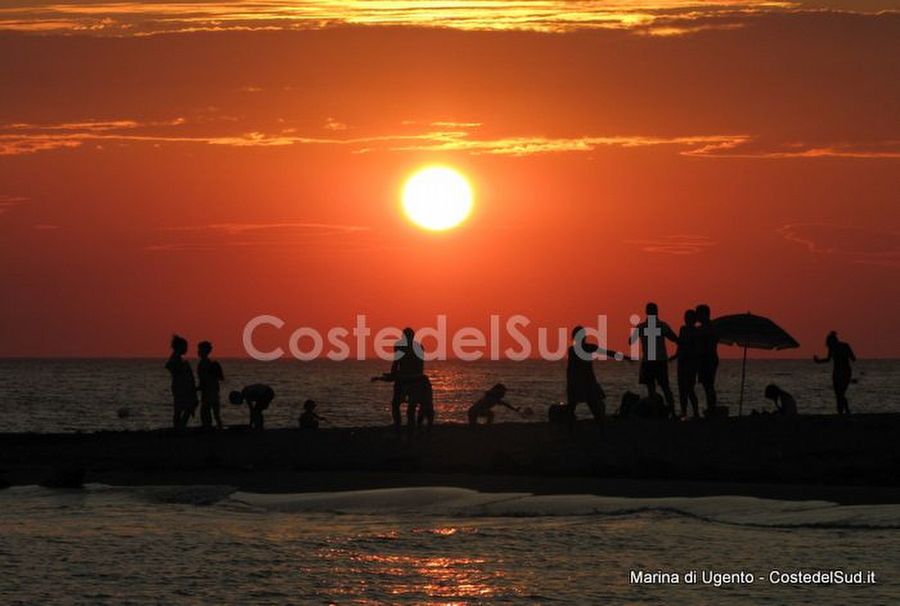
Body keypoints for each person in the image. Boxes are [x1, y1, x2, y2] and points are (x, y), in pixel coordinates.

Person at [372, 327, 427, 432]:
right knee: (412, 407)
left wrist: (392, 375)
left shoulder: (400, 346)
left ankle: (398, 426)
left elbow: (396, 363)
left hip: (403, 380)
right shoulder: (419, 347)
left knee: (396, 404)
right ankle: (411, 429)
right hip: (416, 380)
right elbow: (420, 367)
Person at [566, 326, 625, 422]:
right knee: (591, 408)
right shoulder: (585, 348)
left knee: (574, 408)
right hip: (586, 381)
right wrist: (625, 357)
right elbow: (608, 353)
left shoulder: (573, 350)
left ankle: (571, 431)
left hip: (580, 382)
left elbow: (570, 370)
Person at [630, 302, 678, 416]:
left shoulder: (641, 327)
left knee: (651, 389)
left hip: (648, 361)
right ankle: (673, 413)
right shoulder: (662, 326)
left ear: (646, 312)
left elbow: (631, 341)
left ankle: (656, 413)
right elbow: (675, 338)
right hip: (660, 360)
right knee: (665, 387)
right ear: (657, 312)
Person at [814, 331, 856, 414]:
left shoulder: (843, 346)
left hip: (843, 372)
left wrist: (843, 355)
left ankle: (844, 410)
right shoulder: (838, 347)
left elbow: (853, 358)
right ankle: (843, 410)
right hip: (839, 372)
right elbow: (828, 359)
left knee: (840, 393)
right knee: (839, 393)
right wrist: (819, 361)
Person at [165, 334, 197, 430]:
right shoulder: (175, 358)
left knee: (187, 407)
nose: (186, 349)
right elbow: (169, 366)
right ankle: (179, 427)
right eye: (185, 346)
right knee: (181, 409)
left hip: (183, 387)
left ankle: (180, 426)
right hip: (180, 388)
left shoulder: (178, 359)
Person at [695, 304, 719, 415]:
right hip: (705, 359)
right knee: (707, 385)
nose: (696, 316)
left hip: (708, 359)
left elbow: (710, 344)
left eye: (698, 313)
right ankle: (711, 407)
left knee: (709, 385)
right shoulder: (705, 328)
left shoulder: (709, 328)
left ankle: (712, 408)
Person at [675, 309, 700, 418]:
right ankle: (684, 412)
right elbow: (680, 345)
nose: (686, 319)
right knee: (682, 389)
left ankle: (695, 412)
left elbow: (694, 347)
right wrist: (675, 356)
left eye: (689, 317)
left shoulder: (696, 331)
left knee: (689, 388)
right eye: (686, 317)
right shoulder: (683, 329)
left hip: (691, 363)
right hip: (681, 361)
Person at [196, 341, 224, 430]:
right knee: (216, 414)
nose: (198, 352)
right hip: (214, 391)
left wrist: (196, 389)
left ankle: (209, 429)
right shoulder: (212, 364)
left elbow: (204, 380)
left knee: (205, 413)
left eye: (200, 350)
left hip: (208, 392)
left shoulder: (203, 364)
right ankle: (219, 429)